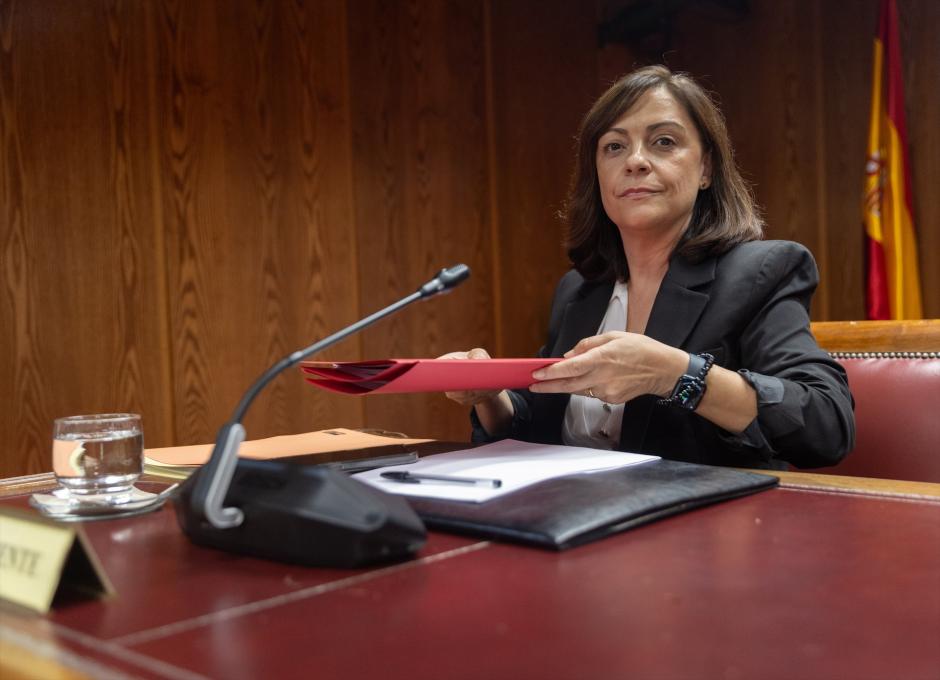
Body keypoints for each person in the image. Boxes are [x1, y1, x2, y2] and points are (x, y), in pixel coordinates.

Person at [442, 65, 854, 470]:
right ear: (598, 174)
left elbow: (826, 424)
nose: (635, 161)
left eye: (663, 142)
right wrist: (488, 396)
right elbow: (543, 425)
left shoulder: (762, 271)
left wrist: (676, 374)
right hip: (570, 518)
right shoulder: (580, 289)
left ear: (706, 169)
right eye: (615, 147)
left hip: (699, 527)